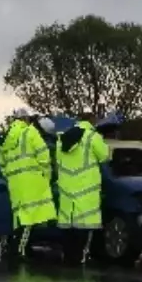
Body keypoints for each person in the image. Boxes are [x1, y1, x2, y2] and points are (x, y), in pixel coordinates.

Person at [0, 108, 57, 263]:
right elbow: (44, 156)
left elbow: (1, 162)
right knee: (29, 220)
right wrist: (46, 177)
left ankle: (19, 248)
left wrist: (9, 175)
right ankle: (18, 251)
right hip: (32, 181)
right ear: (26, 119)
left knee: (20, 217)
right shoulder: (30, 132)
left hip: (15, 183)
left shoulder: (5, 137)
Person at [56, 112, 111, 264]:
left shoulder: (62, 138)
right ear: (92, 121)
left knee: (68, 228)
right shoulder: (92, 137)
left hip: (66, 189)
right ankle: (80, 258)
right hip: (86, 189)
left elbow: (57, 161)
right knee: (85, 228)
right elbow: (105, 156)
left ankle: (68, 257)